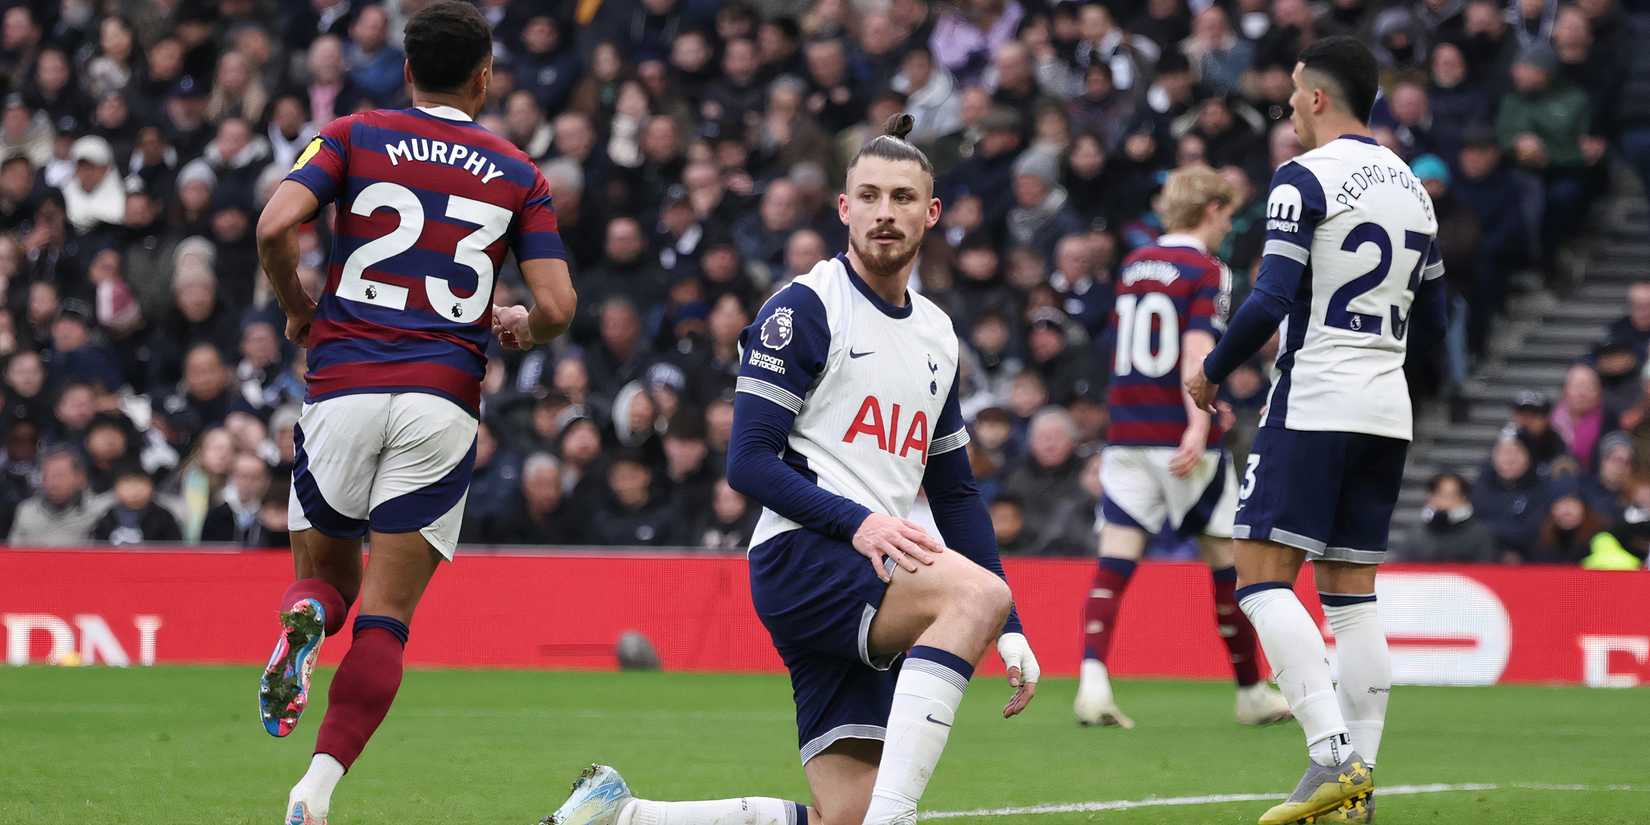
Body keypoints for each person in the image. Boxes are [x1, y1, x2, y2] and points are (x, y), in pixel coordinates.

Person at [545, 115, 1039, 825]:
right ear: (843, 208)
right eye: (868, 195)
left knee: (842, 814)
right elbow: (746, 461)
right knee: (971, 599)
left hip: (877, 568)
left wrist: (1013, 627)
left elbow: (956, 491)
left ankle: (622, 815)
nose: (884, 212)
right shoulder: (806, 307)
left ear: (931, 213)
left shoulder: (936, 332)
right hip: (808, 554)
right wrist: (862, 523)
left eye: (903, 198)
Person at [251, 4, 576, 824]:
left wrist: (299, 308)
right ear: (486, 76)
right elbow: (561, 306)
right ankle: (314, 792)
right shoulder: (516, 170)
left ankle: (308, 617)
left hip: (343, 386)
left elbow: (275, 225)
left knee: (328, 579)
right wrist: (521, 325)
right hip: (440, 401)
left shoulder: (353, 134)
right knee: (388, 618)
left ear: (406, 70)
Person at [1186, 37, 1448, 825]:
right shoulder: (1414, 189)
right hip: (1385, 409)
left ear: (1319, 98)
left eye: (1295, 94)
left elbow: (1267, 300)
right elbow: (1434, 325)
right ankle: (1357, 787)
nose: (1290, 107)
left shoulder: (1302, 178)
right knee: (1351, 599)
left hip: (1316, 398)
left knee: (1260, 577)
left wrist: (1211, 369)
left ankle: (1330, 757)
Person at [1076, 164, 1290, 730]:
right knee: (1226, 564)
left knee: (1114, 563)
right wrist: (1199, 425)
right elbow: (1196, 350)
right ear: (1212, 210)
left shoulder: (1134, 264)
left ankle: (1092, 681)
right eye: (1227, 215)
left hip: (1127, 430)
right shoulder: (1206, 268)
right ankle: (1250, 691)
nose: (1228, 227)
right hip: (1178, 431)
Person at [1398, 472, 1499, 563]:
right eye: (1438, 495)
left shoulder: (1480, 534)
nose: (1443, 502)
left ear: (1463, 498)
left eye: (1449, 496)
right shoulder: (1417, 532)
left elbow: (1485, 568)